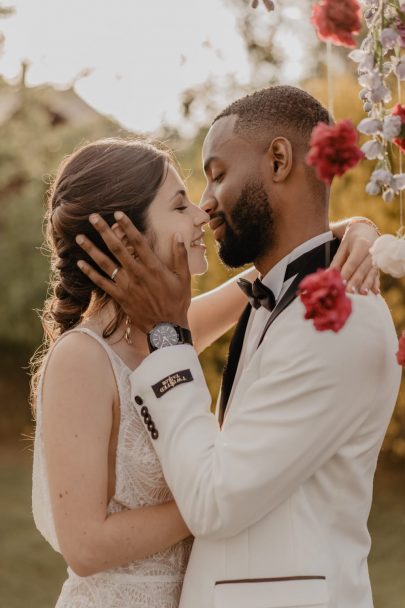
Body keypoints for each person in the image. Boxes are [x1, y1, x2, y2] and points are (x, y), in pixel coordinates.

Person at [77, 86, 401, 608]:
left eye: (218, 174)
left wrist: (167, 335)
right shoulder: (270, 297)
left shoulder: (339, 320)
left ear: (278, 159)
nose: (205, 205)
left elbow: (214, 502)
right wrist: (351, 228)